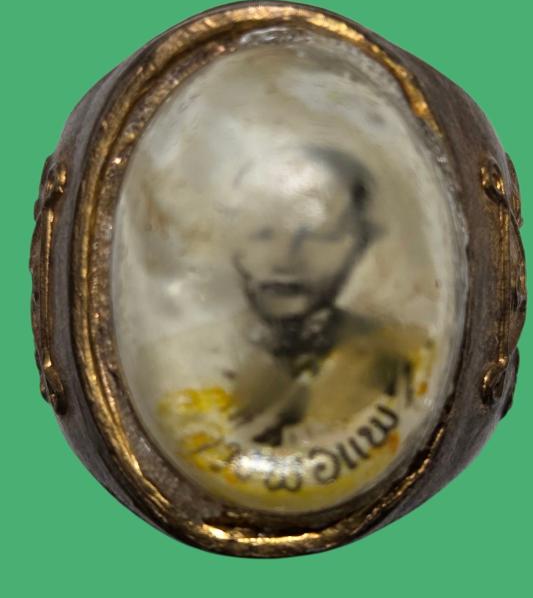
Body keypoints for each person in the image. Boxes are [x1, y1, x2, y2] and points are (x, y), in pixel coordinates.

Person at [157, 145, 434, 456]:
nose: (286, 258)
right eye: (263, 234)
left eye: (322, 235)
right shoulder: (173, 365)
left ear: (362, 241)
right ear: (231, 240)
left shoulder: (409, 361)